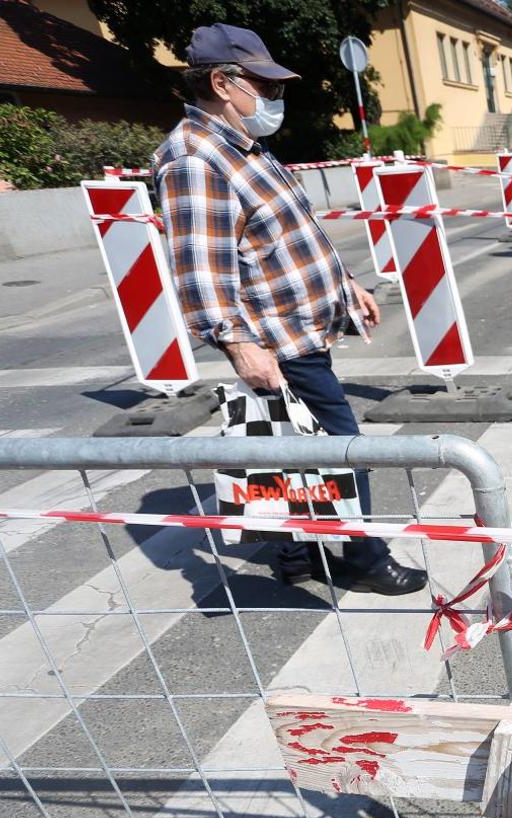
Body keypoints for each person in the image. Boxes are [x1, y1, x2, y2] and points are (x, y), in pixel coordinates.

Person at [154, 23, 426, 595]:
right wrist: (238, 345)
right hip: (275, 342)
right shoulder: (195, 159)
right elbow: (201, 268)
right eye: (265, 86)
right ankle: (364, 558)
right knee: (339, 446)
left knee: (286, 447)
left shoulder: (245, 147)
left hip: (295, 330)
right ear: (224, 83)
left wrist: (346, 283)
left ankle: (297, 554)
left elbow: (291, 231)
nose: (275, 99)